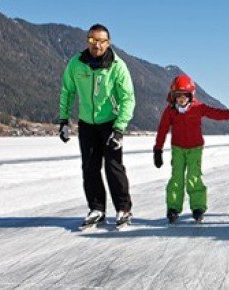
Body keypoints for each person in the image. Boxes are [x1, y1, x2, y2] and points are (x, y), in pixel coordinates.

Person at [58, 24, 136, 230]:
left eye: (101, 41)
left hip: (110, 123)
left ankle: (123, 208)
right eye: (92, 40)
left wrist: (119, 129)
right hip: (87, 124)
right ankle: (97, 209)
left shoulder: (117, 66)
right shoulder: (76, 63)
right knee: (90, 168)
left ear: (108, 43)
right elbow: (68, 91)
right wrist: (64, 120)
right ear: (87, 41)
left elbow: (128, 98)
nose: (96, 45)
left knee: (113, 167)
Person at [153, 75, 229, 224]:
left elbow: (217, 114)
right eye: (178, 96)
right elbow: (162, 130)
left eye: (185, 95)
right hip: (178, 149)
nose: (181, 99)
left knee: (193, 178)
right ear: (173, 96)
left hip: (195, 149)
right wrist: (158, 149)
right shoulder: (170, 111)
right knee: (176, 178)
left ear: (191, 96)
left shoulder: (198, 108)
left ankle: (197, 208)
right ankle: (173, 208)